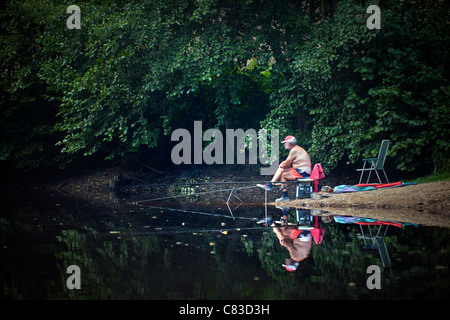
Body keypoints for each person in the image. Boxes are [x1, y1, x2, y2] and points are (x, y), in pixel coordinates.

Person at [257, 135, 311, 202]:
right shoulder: (296, 149)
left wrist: (282, 164)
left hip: (302, 172)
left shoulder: (294, 150)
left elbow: (286, 165)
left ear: (289, 143)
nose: (284, 144)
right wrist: (283, 163)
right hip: (301, 172)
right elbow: (287, 163)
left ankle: (270, 185)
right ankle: (285, 196)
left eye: (285, 143)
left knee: (281, 169)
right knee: (283, 175)